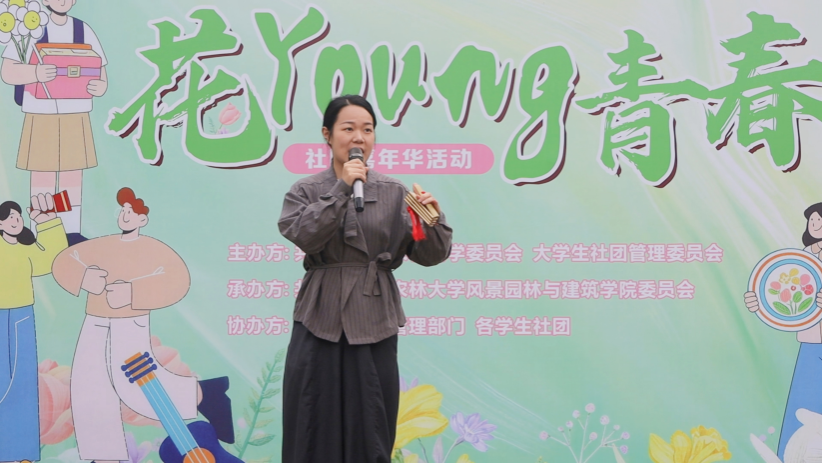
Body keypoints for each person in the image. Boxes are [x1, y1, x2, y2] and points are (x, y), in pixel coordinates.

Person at [278, 95, 453, 462]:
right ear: (327, 135)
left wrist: (433, 221)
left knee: (371, 421)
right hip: (319, 318)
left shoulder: (395, 192)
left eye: (368, 130)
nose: (359, 137)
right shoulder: (305, 190)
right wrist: (342, 188)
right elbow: (305, 235)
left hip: (373, 318)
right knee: (312, 416)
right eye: (348, 128)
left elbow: (430, 255)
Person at [51, 188, 233, 463]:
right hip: (95, 320)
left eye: (131, 212)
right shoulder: (102, 245)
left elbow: (177, 280)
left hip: (129, 321)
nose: (125, 216)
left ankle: (202, 394)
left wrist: (132, 293)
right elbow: (66, 260)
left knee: (134, 383)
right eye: (123, 211)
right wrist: (85, 278)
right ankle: (104, 456)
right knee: (89, 386)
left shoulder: (153, 249)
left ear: (142, 220)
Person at [0, 0, 109, 244]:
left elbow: (100, 69)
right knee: (43, 175)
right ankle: (43, 230)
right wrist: (35, 73)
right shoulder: (28, 29)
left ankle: (70, 230)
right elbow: (8, 71)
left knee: (72, 175)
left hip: (76, 112)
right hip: (41, 113)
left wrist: (100, 86)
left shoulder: (83, 29)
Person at [744, 202, 822, 459]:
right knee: (802, 405)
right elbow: (784, 298)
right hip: (811, 342)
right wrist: (758, 302)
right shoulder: (803, 258)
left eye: (820, 219)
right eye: (813, 220)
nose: (816, 224)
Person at [0, 193, 68, 463]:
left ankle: (20, 453)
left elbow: (50, 259)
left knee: (23, 384)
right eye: (10, 217)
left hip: (21, 316)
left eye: (18, 216)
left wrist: (47, 222)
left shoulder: (25, 248)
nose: (16, 220)